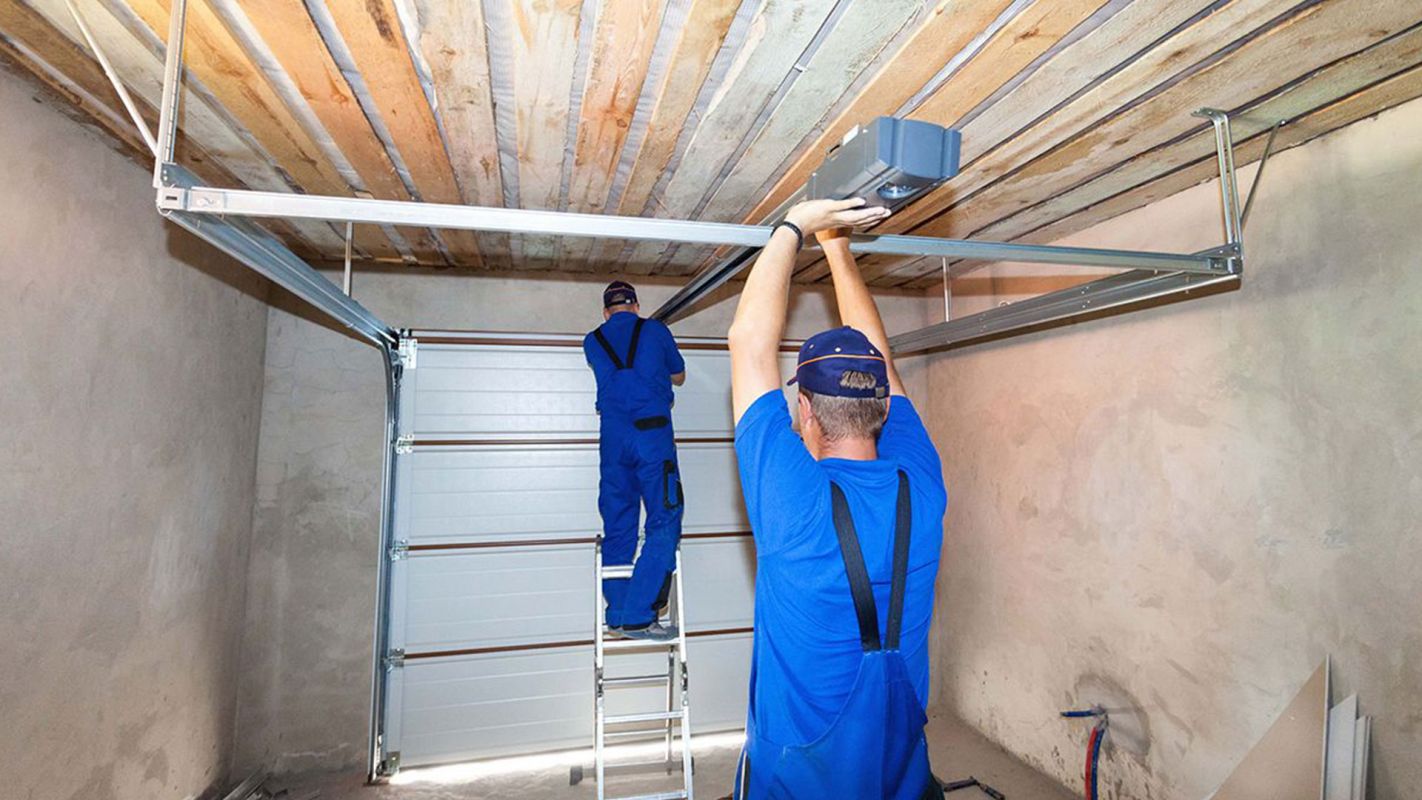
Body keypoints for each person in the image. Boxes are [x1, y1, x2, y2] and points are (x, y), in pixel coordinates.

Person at [727, 199, 948, 798]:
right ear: (882, 407)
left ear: (805, 412)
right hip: (896, 762)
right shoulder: (921, 484)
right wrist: (834, 246)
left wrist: (797, 220)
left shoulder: (792, 503)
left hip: (798, 776)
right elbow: (878, 357)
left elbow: (749, 341)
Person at [584, 280, 688, 641]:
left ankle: (617, 613)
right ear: (636, 305)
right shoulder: (656, 330)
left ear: (605, 311)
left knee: (618, 523)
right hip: (651, 438)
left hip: (613, 441)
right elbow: (679, 374)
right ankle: (640, 614)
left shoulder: (592, 341)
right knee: (664, 518)